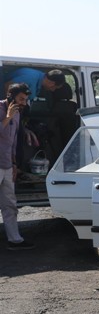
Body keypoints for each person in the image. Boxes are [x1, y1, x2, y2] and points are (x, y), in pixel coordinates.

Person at [0, 83, 36, 250]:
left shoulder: (18, 114)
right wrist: (7, 117)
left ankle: (15, 240)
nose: (23, 103)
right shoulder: (4, 110)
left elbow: (13, 141)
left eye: (26, 100)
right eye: (21, 99)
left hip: (7, 165)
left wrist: (15, 164)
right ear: (10, 97)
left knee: (10, 204)